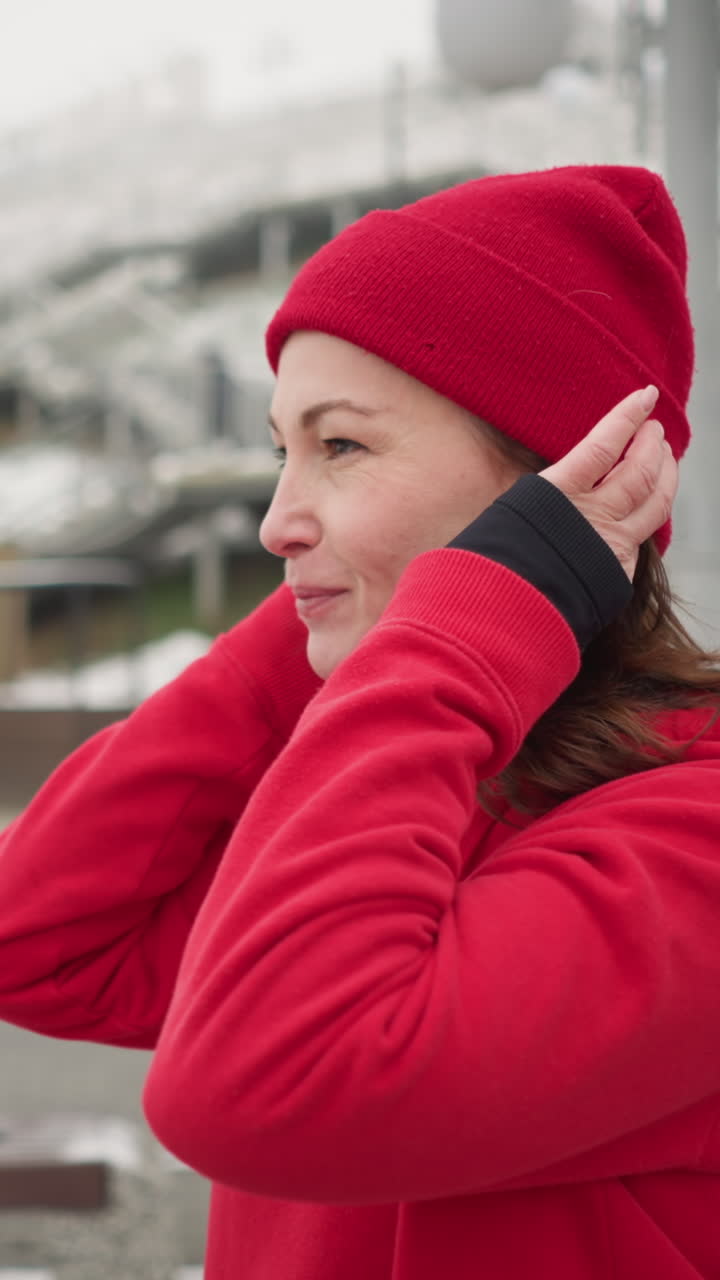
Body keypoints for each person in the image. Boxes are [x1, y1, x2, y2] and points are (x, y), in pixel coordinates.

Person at [1, 164, 719, 1280]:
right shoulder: (405, 793)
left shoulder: (690, 840)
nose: (280, 519)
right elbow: (40, 940)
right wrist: (317, 640)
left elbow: (266, 1083)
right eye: (283, 448)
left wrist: (456, 622)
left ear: (546, 487)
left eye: (340, 446)